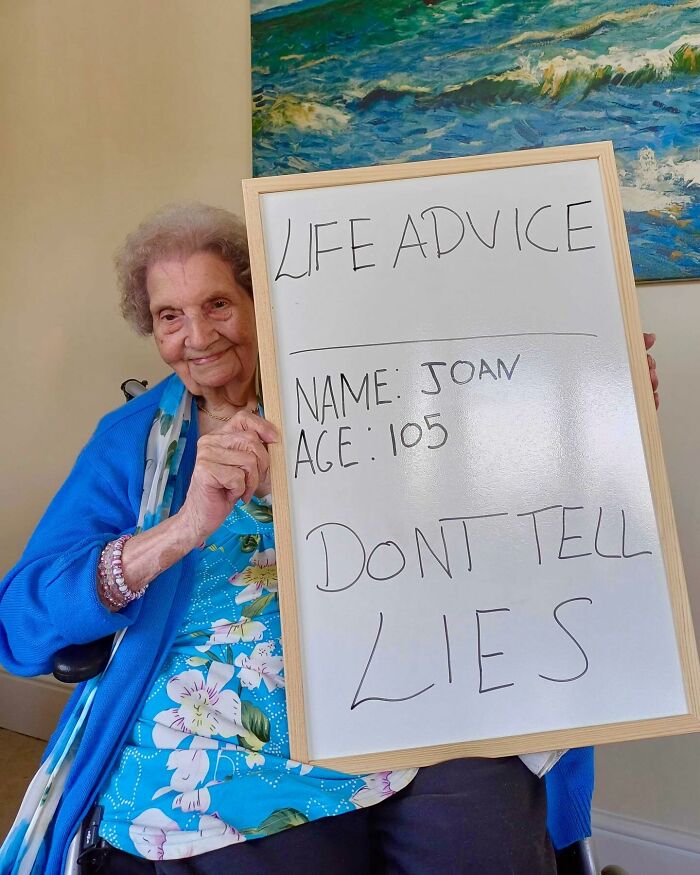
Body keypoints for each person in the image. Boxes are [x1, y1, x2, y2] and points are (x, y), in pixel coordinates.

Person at [0, 203, 660, 875]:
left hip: (420, 675)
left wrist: (601, 403)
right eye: (170, 316)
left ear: (260, 301)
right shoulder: (134, 443)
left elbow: (515, 492)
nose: (197, 336)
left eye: (218, 304)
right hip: (223, 719)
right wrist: (179, 530)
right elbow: (22, 621)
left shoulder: (375, 390)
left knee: (486, 844)